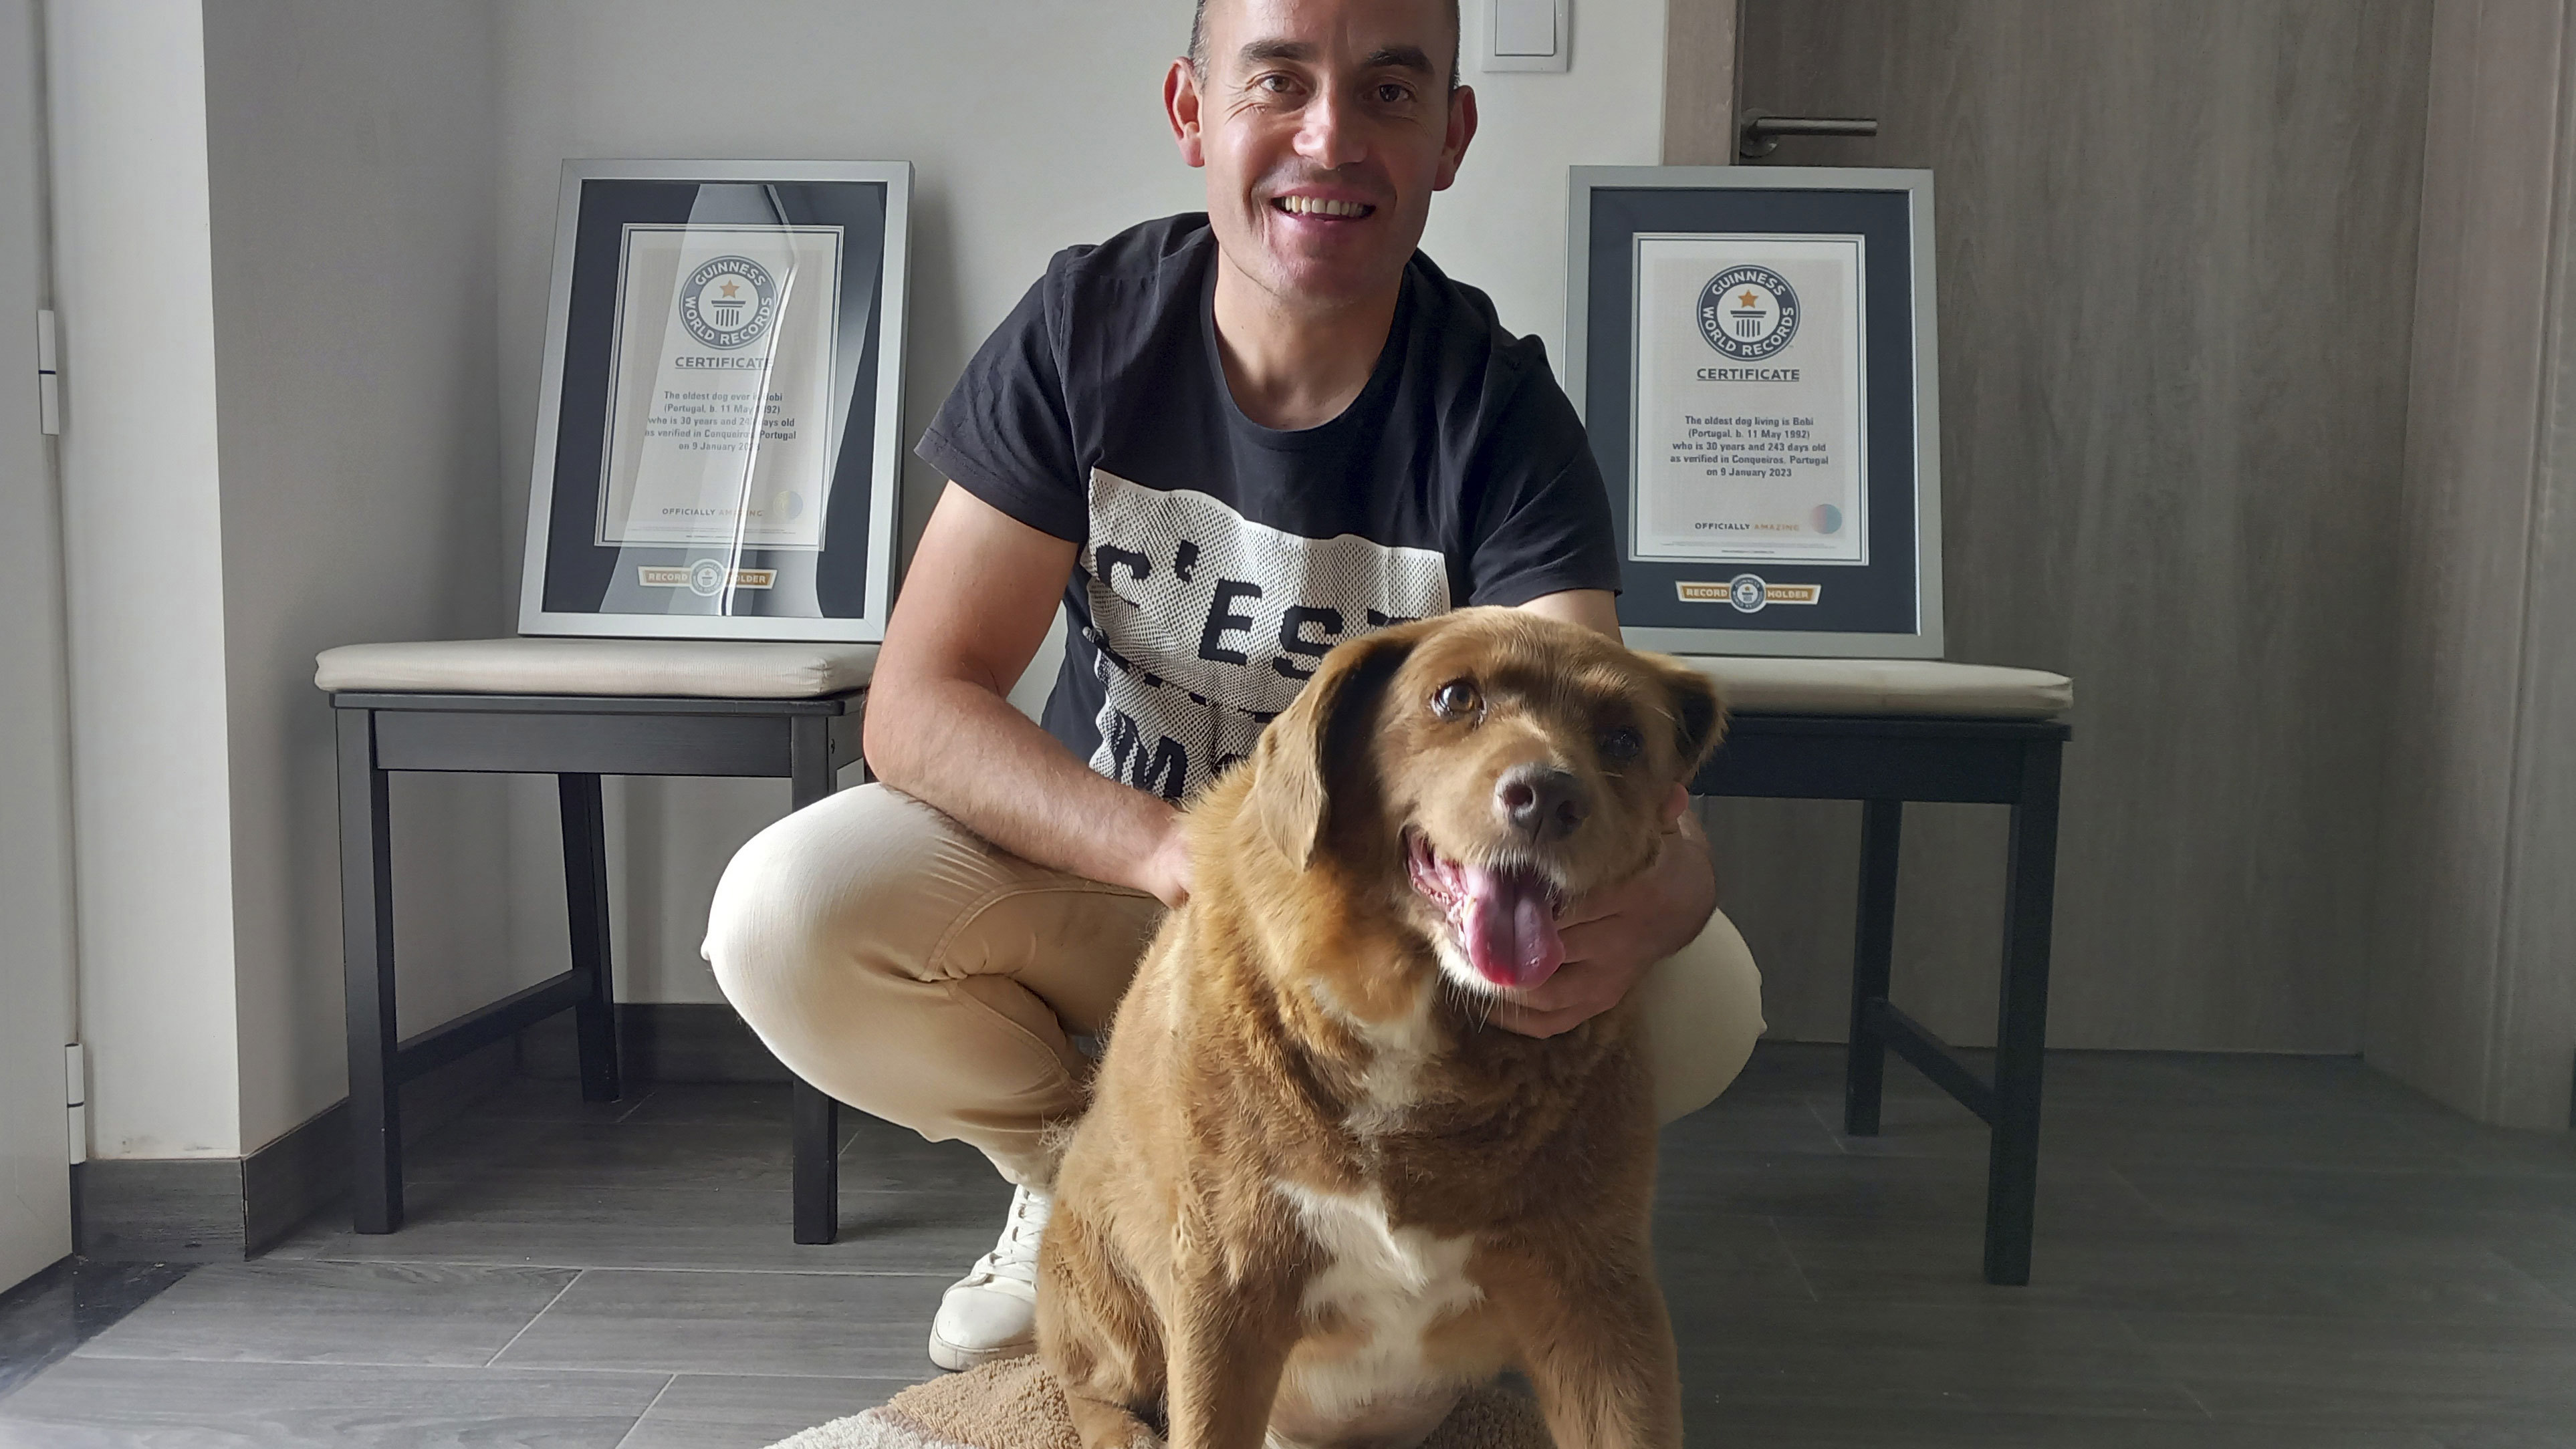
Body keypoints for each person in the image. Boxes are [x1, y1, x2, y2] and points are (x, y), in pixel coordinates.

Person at [703, 0, 1764, 1373]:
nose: (1330, 138)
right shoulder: (1085, 327)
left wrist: (1673, 890)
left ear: (1450, 136)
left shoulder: (1499, 413)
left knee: (1705, 995)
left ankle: (1433, 1234)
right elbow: (920, 702)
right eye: (1280, 82)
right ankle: (1094, 1178)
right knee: (786, 914)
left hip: (1368, 921)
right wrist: (1167, 851)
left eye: (1389, 92)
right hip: (1137, 882)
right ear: (1193, 112)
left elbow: (1610, 755)